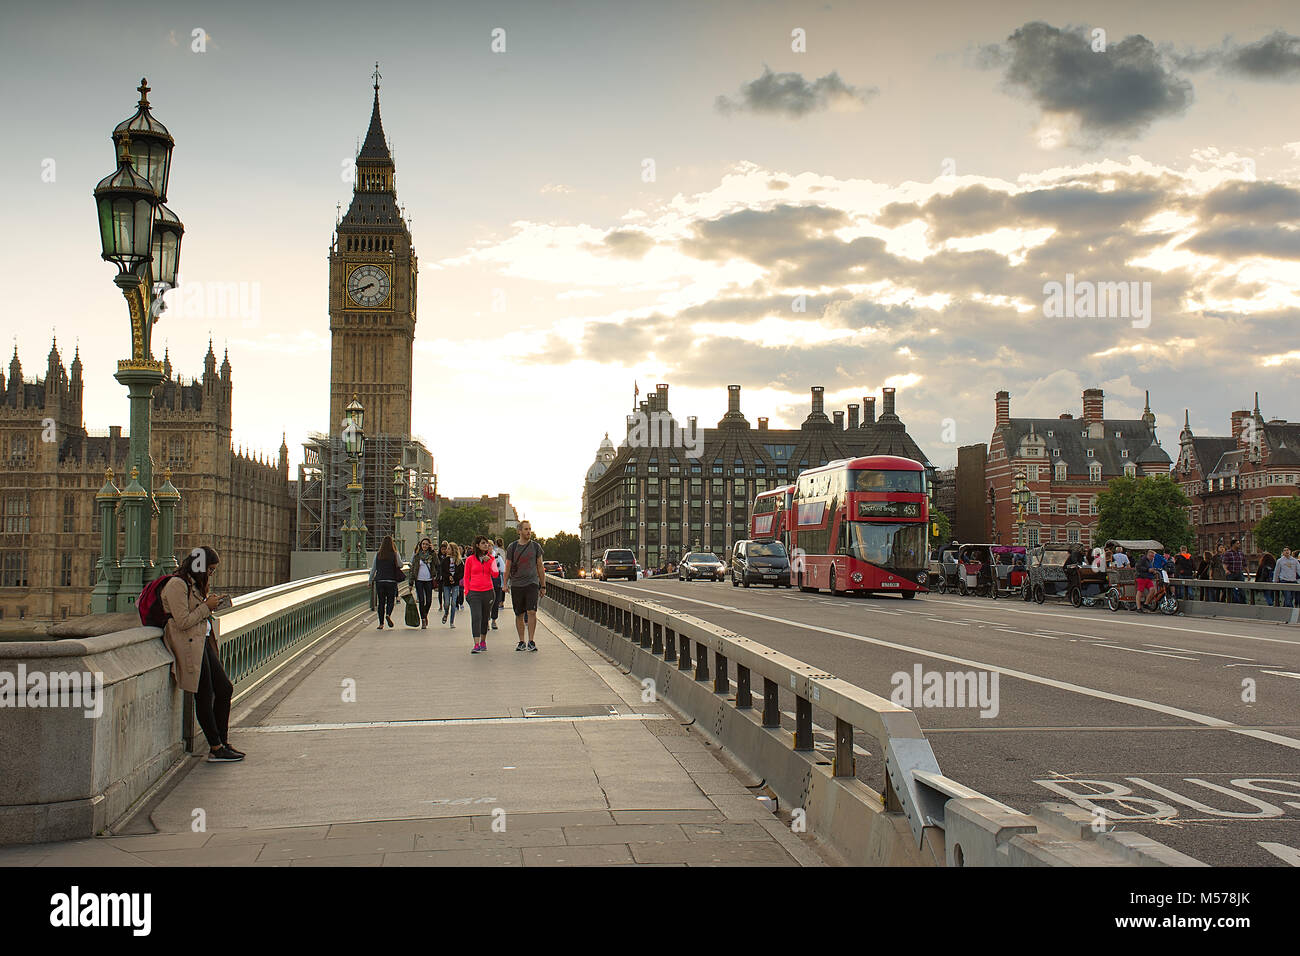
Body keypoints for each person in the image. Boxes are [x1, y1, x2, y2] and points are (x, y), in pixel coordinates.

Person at [162, 547, 242, 762]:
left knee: (225, 688)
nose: (211, 575)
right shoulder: (176, 585)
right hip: (189, 646)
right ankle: (215, 748)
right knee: (204, 696)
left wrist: (211, 605)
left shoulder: (192, 584)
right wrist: (207, 606)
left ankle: (223, 742)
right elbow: (182, 621)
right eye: (211, 570)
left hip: (203, 642)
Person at [505, 520, 546, 652]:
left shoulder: (535, 547)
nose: (529, 532)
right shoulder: (512, 547)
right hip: (517, 584)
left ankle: (531, 640)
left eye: (530, 529)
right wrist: (504, 584)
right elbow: (508, 566)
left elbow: (540, 566)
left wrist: (543, 585)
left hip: (532, 583)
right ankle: (521, 641)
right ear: (519, 531)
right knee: (519, 614)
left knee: (532, 612)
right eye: (526, 529)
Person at [464, 535, 501, 654]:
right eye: (483, 543)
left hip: (488, 592)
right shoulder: (470, 560)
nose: (486, 545)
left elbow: (495, 574)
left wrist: (490, 562)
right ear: (477, 545)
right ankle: (476, 644)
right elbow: (466, 577)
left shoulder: (491, 558)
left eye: (487, 544)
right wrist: (467, 592)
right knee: (476, 617)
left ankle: (483, 641)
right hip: (474, 592)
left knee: (485, 617)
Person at [370, 536, 402, 629]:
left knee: (381, 602)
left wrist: (370, 580)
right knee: (390, 601)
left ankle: (381, 623)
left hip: (380, 581)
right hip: (391, 580)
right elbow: (400, 564)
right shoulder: (395, 554)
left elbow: (373, 569)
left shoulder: (378, 554)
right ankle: (388, 614)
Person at [410, 537, 438, 628]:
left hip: (429, 580)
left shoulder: (431, 555)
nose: (424, 546)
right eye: (423, 544)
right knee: (421, 600)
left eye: (426, 544)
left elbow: (437, 564)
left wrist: (433, 552)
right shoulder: (417, 556)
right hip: (419, 580)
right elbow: (412, 569)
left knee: (429, 601)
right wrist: (411, 583)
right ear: (421, 545)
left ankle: (425, 614)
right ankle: (423, 619)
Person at [440, 542, 462, 628]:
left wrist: (455, 578)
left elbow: (461, 573)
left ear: (453, 550)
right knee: (446, 603)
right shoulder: (445, 561)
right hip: (446, 584)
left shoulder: (459, 561)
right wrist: (449, 577)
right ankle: (446, 613)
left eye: (449, 548)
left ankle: (452, 621)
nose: (446, 550)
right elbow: (443, 571)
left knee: (453, 602)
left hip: (455, 584)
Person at [490, 537, 506, 631]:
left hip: (496, 582)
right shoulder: (481, 558)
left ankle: (493, 620)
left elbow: (503, 570)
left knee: (495, 602)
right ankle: (486, 620)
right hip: (485, 583)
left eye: (491, 546)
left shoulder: (497, 557)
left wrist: (504, 583)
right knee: (487, 603)